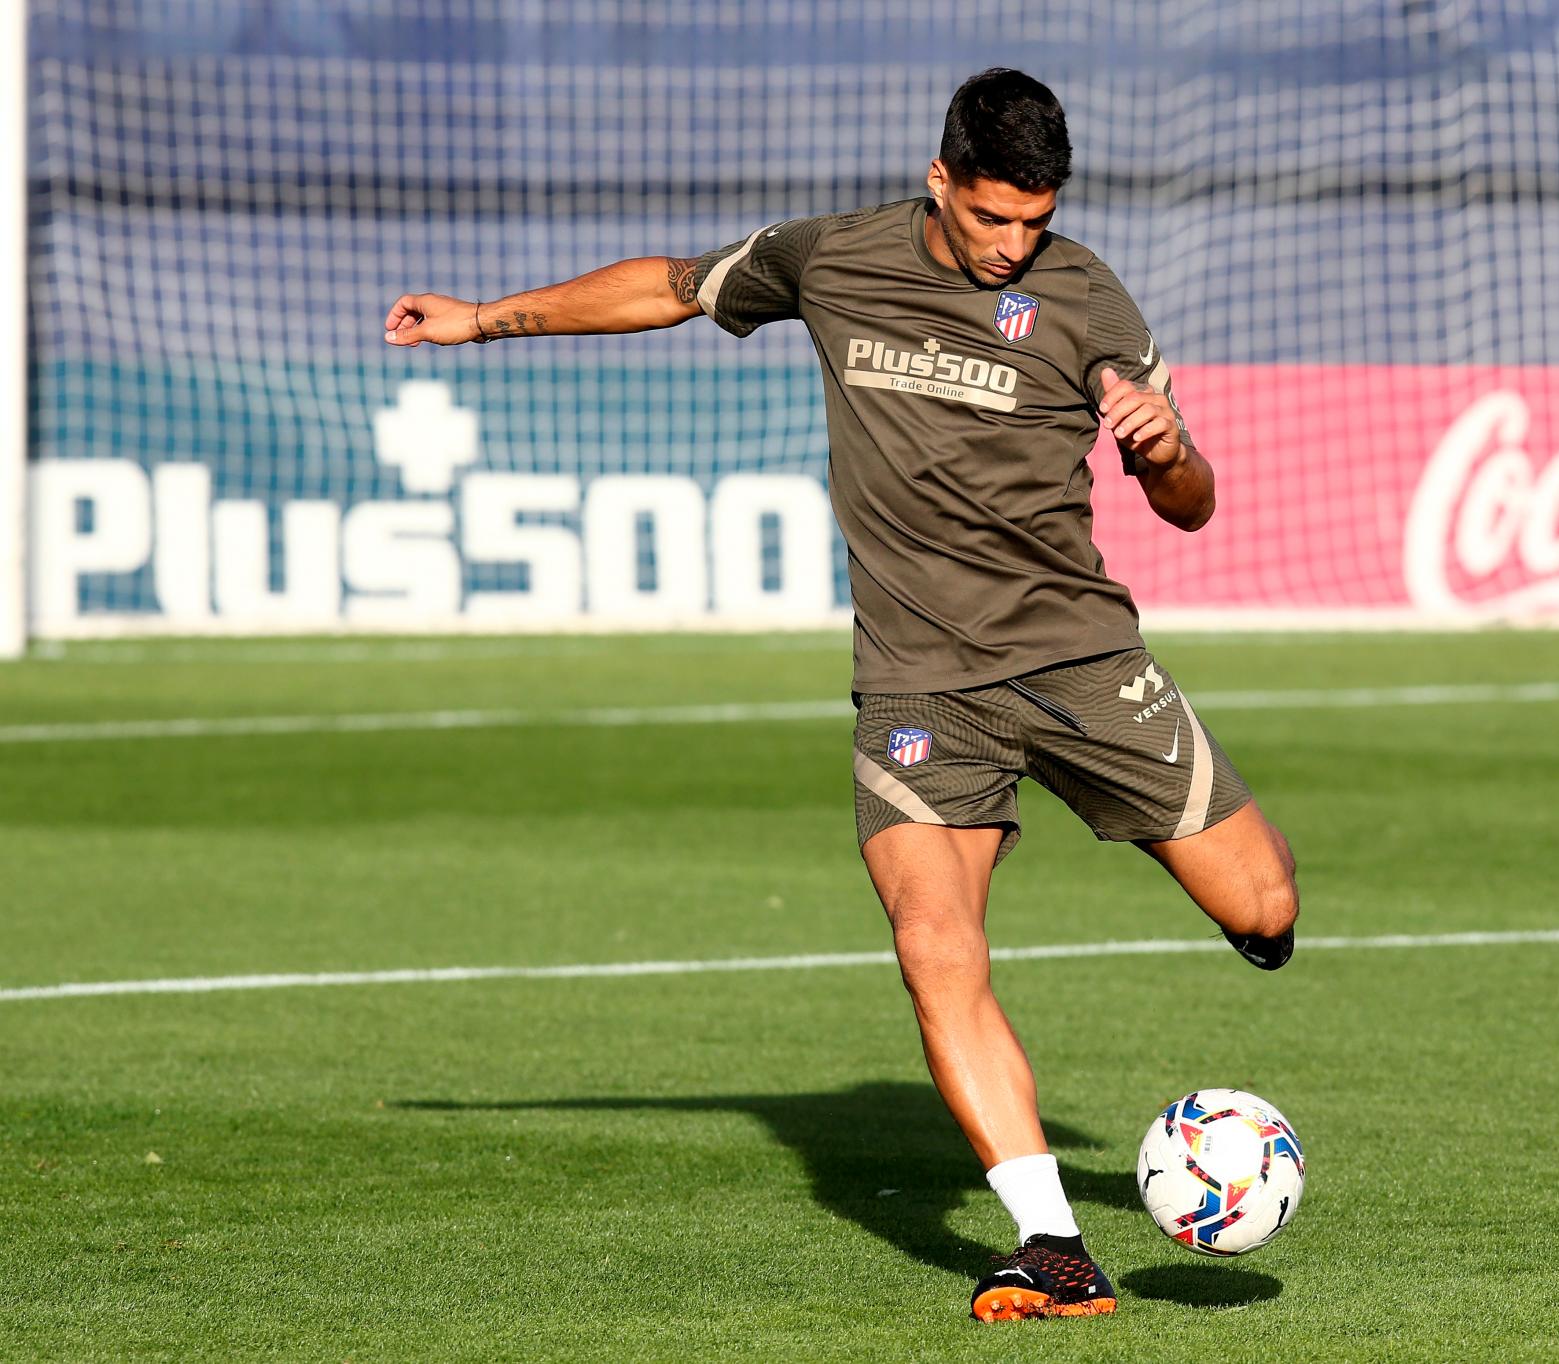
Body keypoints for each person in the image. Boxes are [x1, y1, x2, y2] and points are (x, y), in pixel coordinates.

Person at [384, 67, 1299, 1322]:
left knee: (1262, 906)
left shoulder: (1085, 297)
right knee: (934, 945)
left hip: (1078, 658)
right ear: (939, 181)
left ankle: (1239, 921)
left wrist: (1167, 445)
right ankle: (1050, 1243)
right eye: (990, 219)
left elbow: (1188, 502)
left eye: (1032, 222)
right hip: (921, 680)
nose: (1010, 246)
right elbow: (666, 285)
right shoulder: (831, 259)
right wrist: (482, 320)